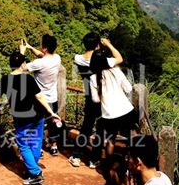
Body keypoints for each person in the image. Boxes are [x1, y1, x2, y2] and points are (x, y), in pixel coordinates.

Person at [0, 52, 61, 185]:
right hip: (38, 116)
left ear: (10, 65)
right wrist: (51, 112)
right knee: (35, 142)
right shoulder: (29, 79)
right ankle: (32, 170)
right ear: (23, 64)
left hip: (22, 118)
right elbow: (40, 97)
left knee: (23, 145)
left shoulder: (5, 80)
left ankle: (35, 172)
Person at [89, 38, 133, 161]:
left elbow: (96, 100)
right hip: (126, 110)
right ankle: (128, 164)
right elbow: (129, 88)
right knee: (131, 139)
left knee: (111, 140)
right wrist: (109, 44)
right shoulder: (116, 71)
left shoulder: (93, 78)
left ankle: (109, 165)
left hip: (109, 115)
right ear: (106, 60)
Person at [21, 34, 62, 155]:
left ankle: (37, 148)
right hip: (52, 97)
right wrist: (29, 47)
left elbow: (22, 67)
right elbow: (42, 55)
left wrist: (22, 52)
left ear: (44, 48)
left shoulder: (38, 63)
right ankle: (54, 146)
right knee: (52, 122)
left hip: (39, 99)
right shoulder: (57, 58)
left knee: (37, 124)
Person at [69, 32, 102, 168]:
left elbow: (77, 57)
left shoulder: (78, 59)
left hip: (89, 96)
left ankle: (77, 156)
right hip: (102, 97)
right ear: (98, 44)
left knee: (86, 127)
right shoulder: (101, 60)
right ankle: (94, 159)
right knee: (101, 129)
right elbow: (118, 59)